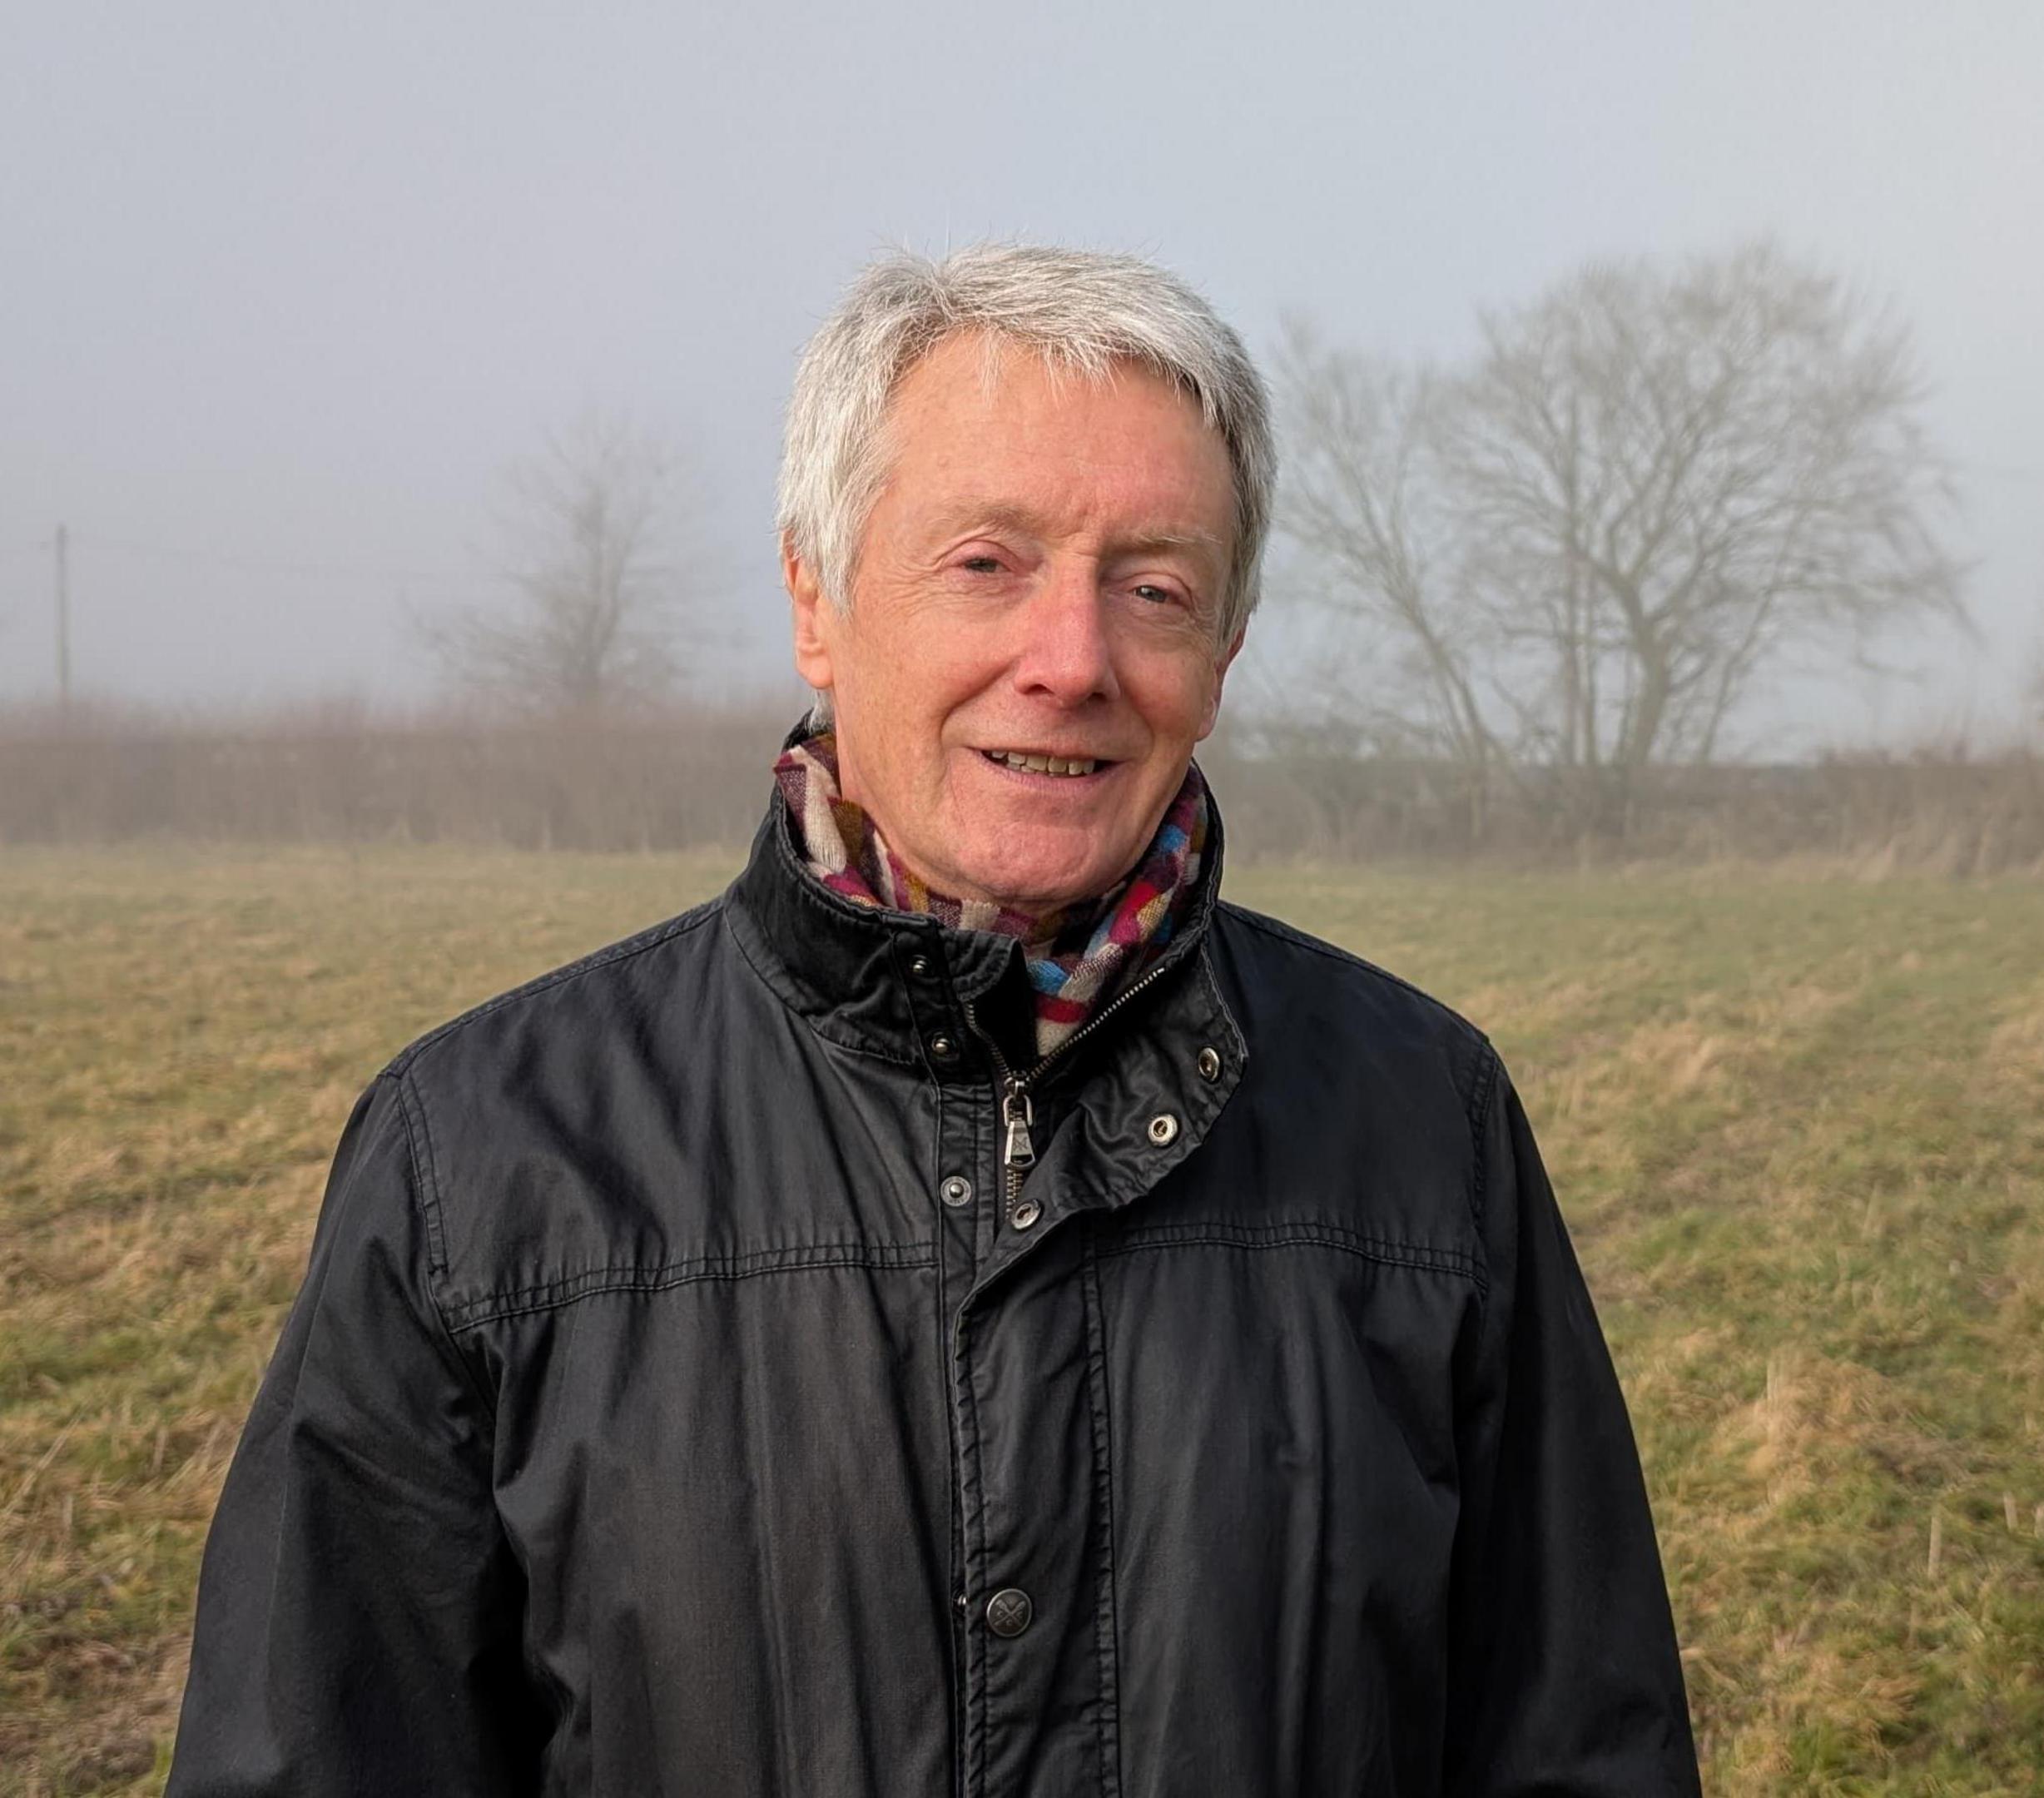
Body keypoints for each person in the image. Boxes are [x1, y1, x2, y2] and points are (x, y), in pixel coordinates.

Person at [167, 244, 1700, 1796]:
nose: (1072, 660)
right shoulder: (479, 1161)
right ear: (817, 604)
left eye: (1155, 586)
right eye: (987, 562)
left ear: (1223, 655)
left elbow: (1579, 1748)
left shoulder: (1428, 1126)